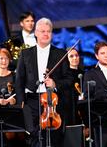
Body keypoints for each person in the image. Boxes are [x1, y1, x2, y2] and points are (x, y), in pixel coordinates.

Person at [15, 18, 73, 147]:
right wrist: (21, 104)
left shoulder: (61, 54)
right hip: (32, 102)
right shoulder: (25, 54)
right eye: (42, 31)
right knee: (34, 138)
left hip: (53, 102)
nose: (45, 34)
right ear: (36, 33)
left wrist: (55, 84)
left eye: (48, 31)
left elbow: (69, 79)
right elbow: (19, 80)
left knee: (54, 138)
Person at [64, 48, 84, 126]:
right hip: (68, 110)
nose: (75, 58)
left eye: (76, 55)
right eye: (71, 56)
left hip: (81, 109)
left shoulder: (84, 74)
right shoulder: (64, 75)